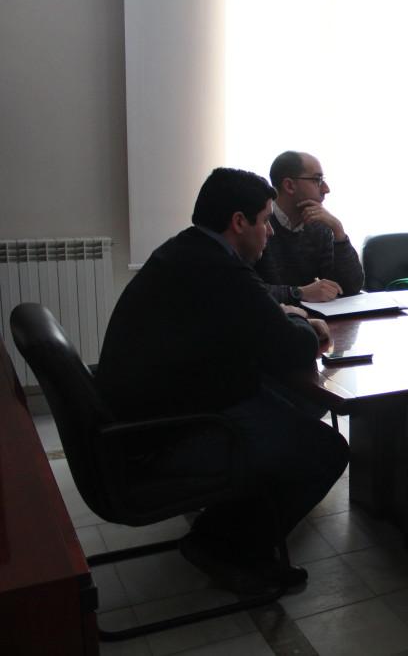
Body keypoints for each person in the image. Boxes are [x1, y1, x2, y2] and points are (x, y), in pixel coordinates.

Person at [97, 167, 349, 593]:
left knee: (299, 405)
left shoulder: (187, 251)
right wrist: (304, 324)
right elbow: (291, 345)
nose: (270, 231)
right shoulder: (219, 269)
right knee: (325, 450)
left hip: (146, 414)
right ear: (239, 222)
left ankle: (231, 522)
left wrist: (282, 314)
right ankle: (224, 546)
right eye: (265, 219)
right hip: (166, 435)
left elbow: (254, 312)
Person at [254, 150, 364, 304]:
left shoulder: (319, 226)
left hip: (308, 316)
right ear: (289, 186)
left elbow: (350, 288)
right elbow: (247, 290)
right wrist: (299, 293)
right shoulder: (257, 224)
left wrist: (338, 231)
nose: (326, 189)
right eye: (317, 180)